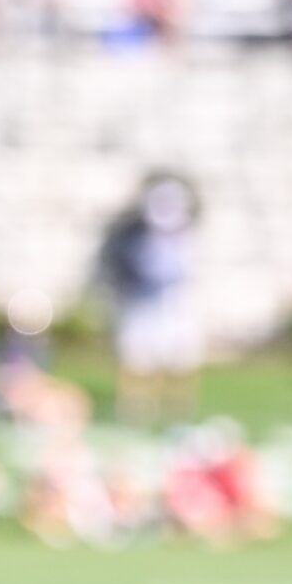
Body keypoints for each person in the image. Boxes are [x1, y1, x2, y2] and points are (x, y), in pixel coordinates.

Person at [101, 173, 203, 426]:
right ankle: (135, 407)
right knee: (137, 358)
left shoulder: (185, 237)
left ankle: (176, 408)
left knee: (179, 357)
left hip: (173, 304)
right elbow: (124, 268)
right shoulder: (132, 235)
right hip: (142, 302)